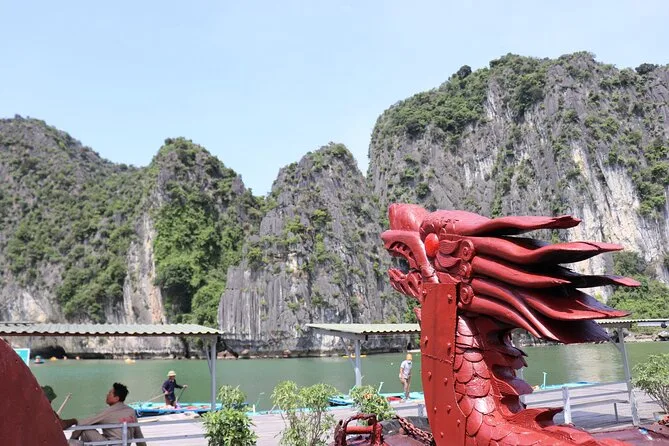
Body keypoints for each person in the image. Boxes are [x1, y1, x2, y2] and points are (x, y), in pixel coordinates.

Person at [68, 383, 146, 446]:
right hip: (124, 444)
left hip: (111, 444)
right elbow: (138, 434)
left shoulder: (108, 412)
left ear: (116, 398)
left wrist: (73, 438)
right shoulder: (131, 411)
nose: (107, 395)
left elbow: (83, 423)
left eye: (109, 393)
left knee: (85, 429)